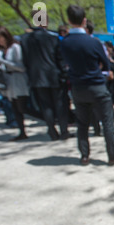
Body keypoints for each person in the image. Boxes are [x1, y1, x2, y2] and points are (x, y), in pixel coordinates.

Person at [60, 5, 114, 166]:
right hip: (97, 86)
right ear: (84, 21)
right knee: (107, 122)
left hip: (78, 88)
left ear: (68, 21)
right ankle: (112, 155)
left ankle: (84, 156)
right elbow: (105, 63)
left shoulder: (64, 43)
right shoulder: (93, 42)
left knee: (82, 124)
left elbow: (62, 65)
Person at [20, 13, 72, 141]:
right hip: (54, 76)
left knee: (46, 106)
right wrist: (64, 75)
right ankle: (64, 131)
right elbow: (60, 59)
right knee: (60, 105)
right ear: (46, 22)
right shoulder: (52, 38)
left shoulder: (25, 39)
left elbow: (25, 60)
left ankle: (52, 132)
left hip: (37, 78)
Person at [0, 26, 30, 141]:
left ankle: (52, 120)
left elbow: (21, 67)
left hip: (19, 81)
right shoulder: (3, 50)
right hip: (9, 83)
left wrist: (1, 61)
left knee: (23, 108)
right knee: (15, 109)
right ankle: (22, 132)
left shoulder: (15, 47)